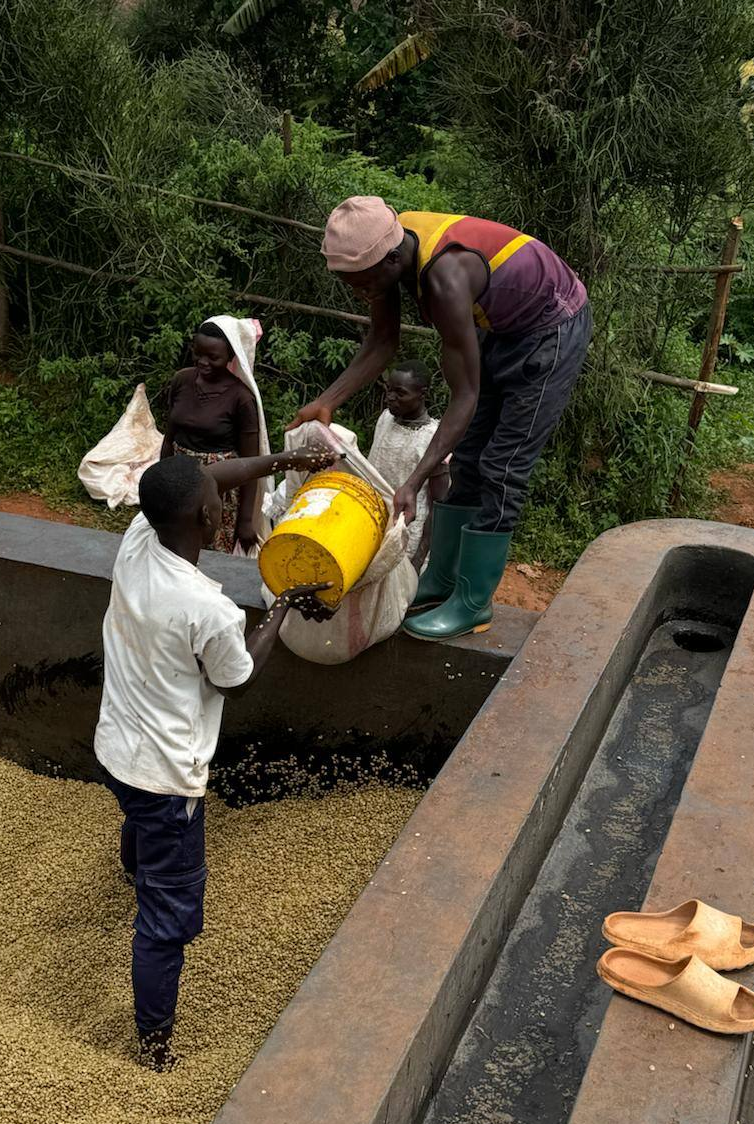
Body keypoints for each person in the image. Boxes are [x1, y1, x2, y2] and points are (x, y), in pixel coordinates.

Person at [94, 445, 336, 1071]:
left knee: (137, 817)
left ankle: (132, 874)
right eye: (216, 503)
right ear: (208, 521)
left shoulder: (139, 539)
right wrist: (283, 605)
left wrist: (286, 460)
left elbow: (205, 478)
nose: (222, 501)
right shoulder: (209, 610)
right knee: (166, 921)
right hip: (167, 777)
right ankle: (153, 1045)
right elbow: (239, 677)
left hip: (115, 746)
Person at [288, 197, 592, 639]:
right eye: (350, 284)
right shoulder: (389, 246)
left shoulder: (445, 279)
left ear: (391, 260)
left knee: (503, 465)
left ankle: (473, 602)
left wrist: (413, 481)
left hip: (551, 325)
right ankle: (442, 579)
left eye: (363, 283)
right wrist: (327, 401)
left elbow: (464, 397)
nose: (360, 292)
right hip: (502, 323)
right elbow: (383, 340)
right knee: (467, 457)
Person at [160, 320, 264, 555]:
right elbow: (169, 438)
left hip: (218, 489)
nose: (203, 362)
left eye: (213, 357)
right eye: (198, 354)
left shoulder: (241, 399)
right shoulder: (182, 381)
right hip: (179, 478)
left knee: (209, 553)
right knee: (173, 547)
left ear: (230, 357)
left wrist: (246, 521)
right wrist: (161, 483)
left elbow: (250, 465)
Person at [367, 360, 449, 570]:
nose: (390, 397)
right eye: (389, 390)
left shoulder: (434, 438)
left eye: (400, 393)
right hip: (370, 522)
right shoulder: (385, 419)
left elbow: (438, 505)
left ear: (422, 394)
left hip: (406, 537)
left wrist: (419, 558)